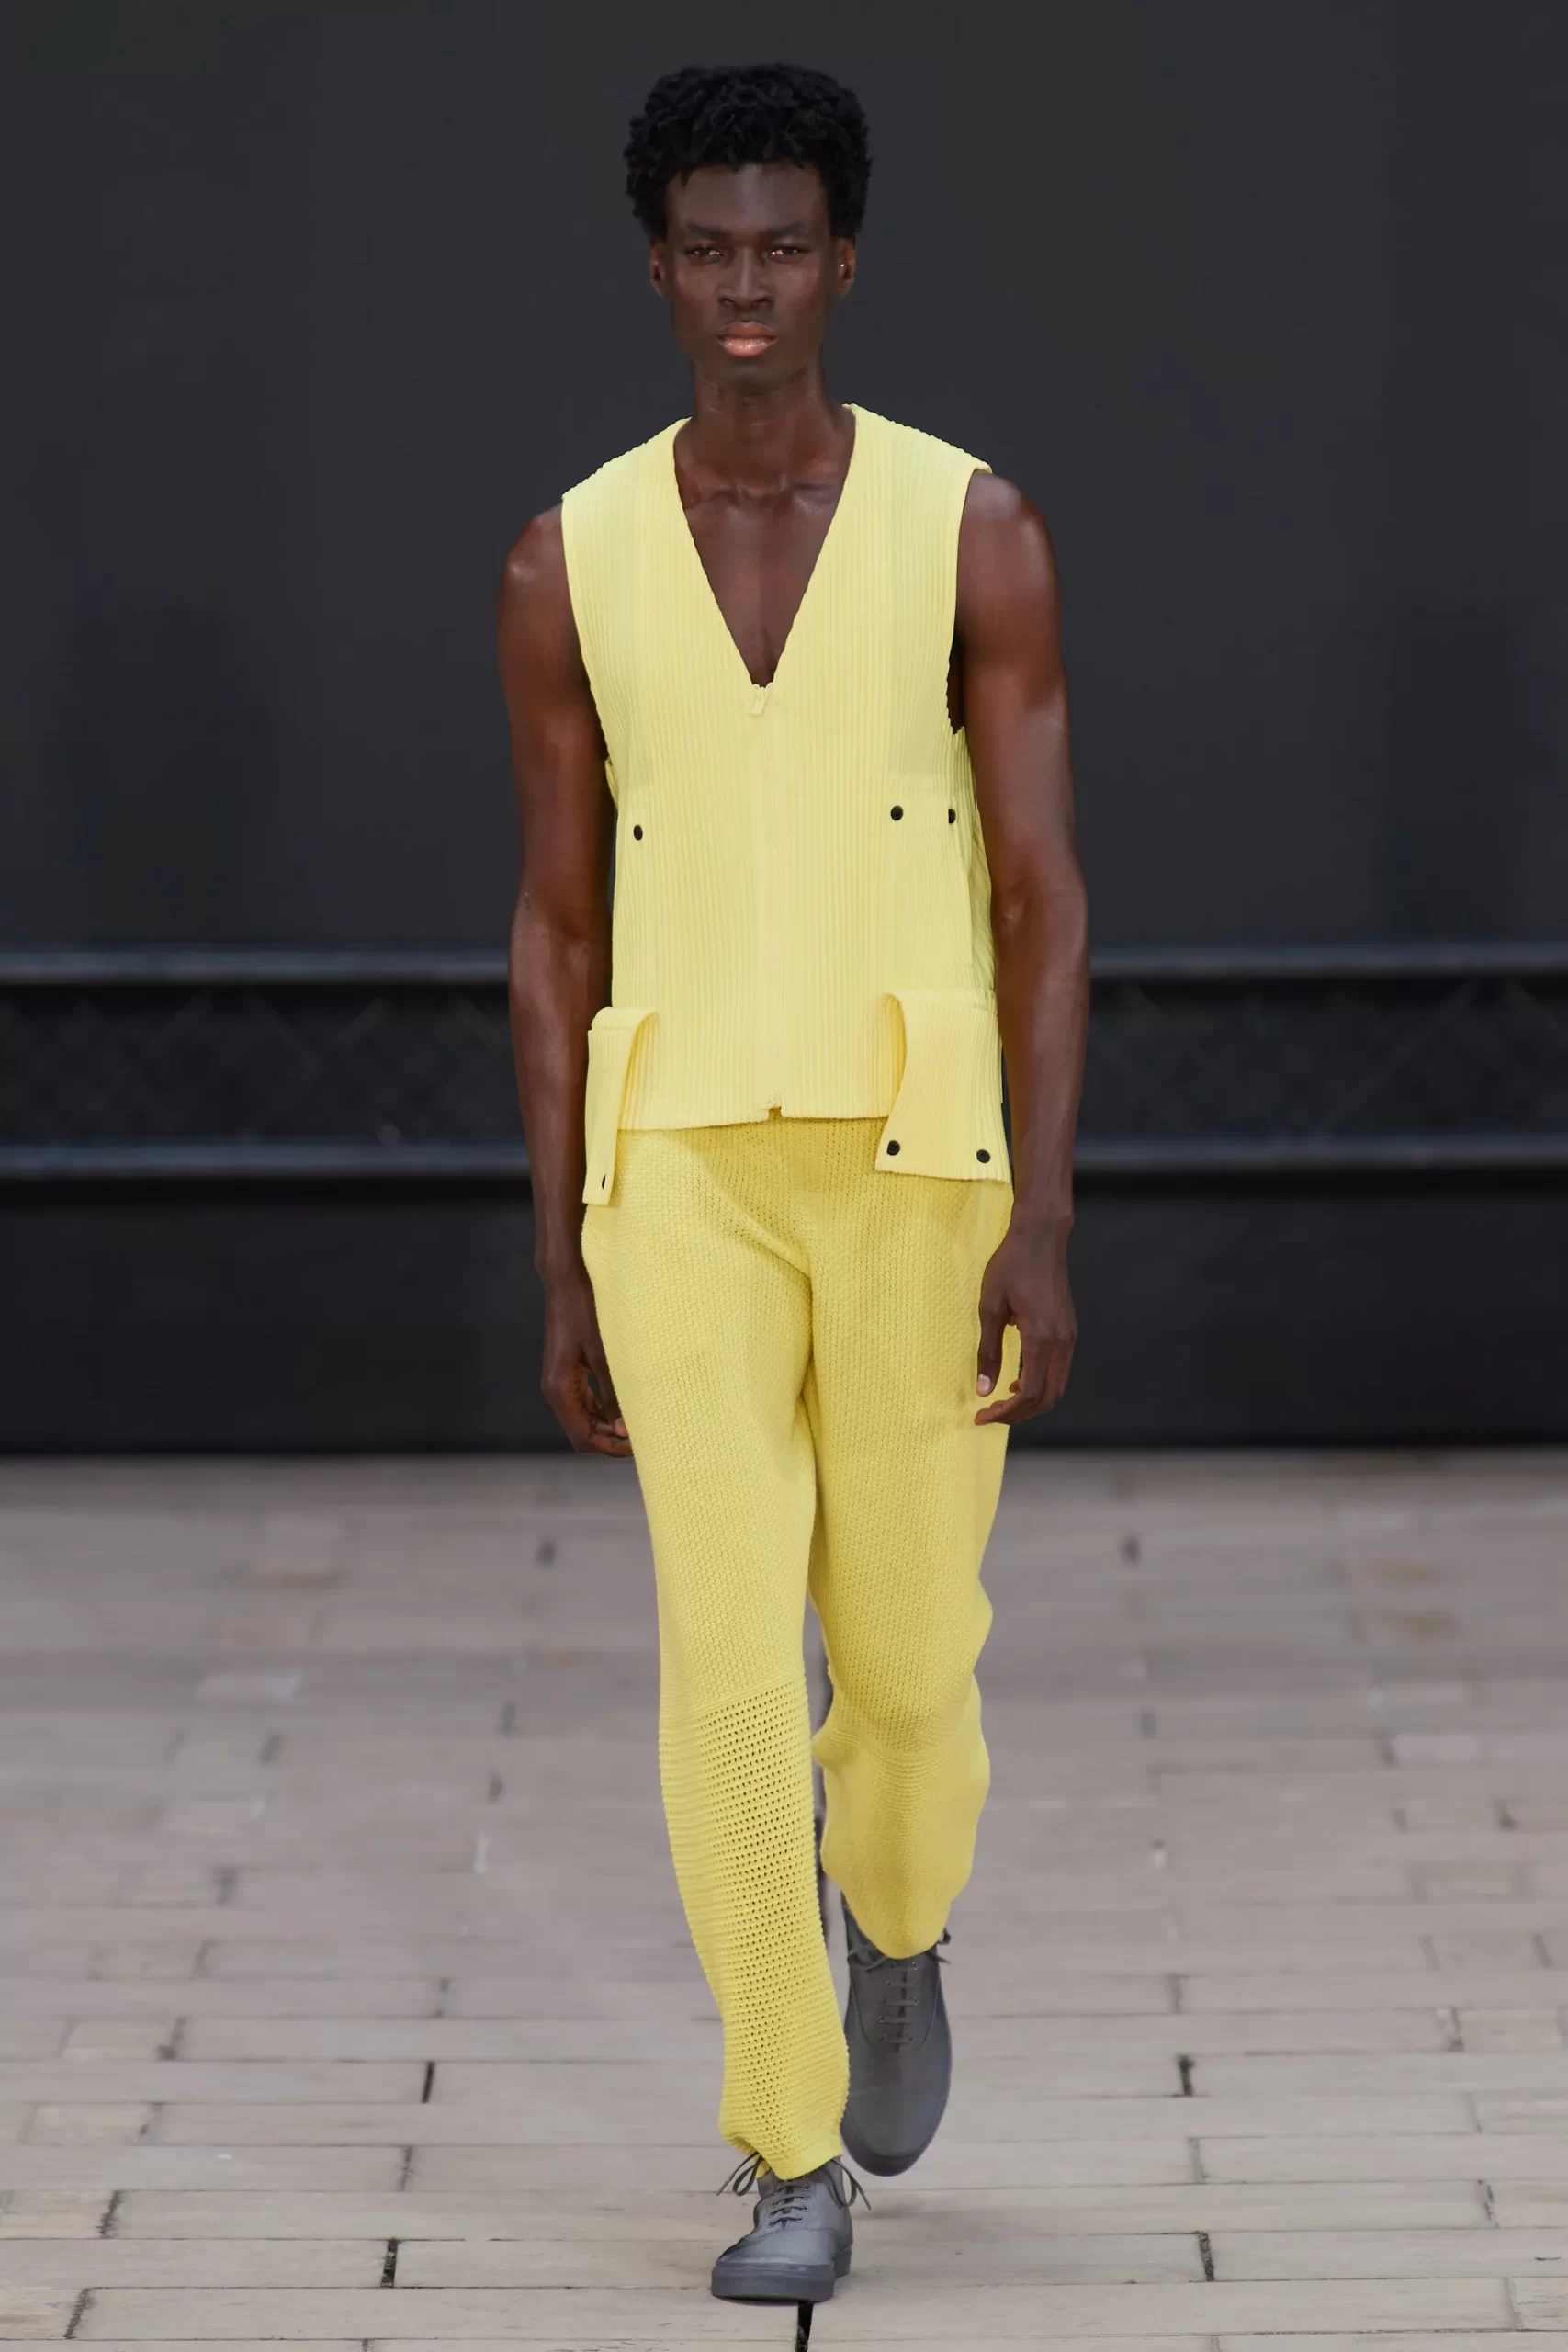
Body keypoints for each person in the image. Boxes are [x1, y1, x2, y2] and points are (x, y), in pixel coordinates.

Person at [499, 60, 1088, 2305]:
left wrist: (1044, 1211)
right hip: (677, 1174)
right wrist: (562, 1246)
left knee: (912, 1672)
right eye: (705, 250)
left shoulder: (973, 528)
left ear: (841, 257)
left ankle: (898, 1920)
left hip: (920, 1167)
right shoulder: (568, 555)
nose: (744, 286)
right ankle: (784, 2139)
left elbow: (1037, 891)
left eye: (780, 246)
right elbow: (558, 922)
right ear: (656, 269)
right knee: (729, 1662)